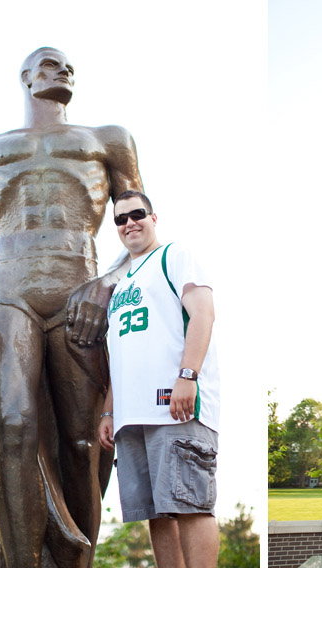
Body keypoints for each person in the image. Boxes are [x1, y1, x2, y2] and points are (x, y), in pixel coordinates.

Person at [0, 47, 143, 567]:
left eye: (69, 67)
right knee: (13, 422)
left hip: (78, 284)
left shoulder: (107, 140)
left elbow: (139, 232)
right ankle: (22, 572)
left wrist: (109, 283)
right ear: (25, 78)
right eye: (50, 63)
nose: (63, 71)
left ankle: (75, 567)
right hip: (8, 290)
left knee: (84, 444)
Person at [98, 190, 220, 567]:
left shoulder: (174, 256)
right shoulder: (121, 286)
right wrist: (108, 412)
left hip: (174, 404)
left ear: (153, 217)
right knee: (156, 513)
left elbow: (203, 314)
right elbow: (122, 353)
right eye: (120, 219)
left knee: (190, 506)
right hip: (132, 416)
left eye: (137, 214)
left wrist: (188, 375)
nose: (129, 223)